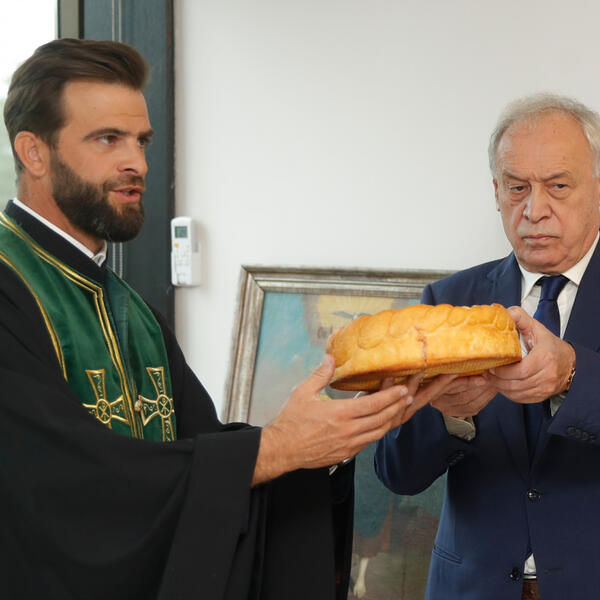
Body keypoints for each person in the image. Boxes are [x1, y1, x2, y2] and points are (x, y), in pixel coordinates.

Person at [0, 38, 424, 599]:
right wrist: (276, 449)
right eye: (108, 139)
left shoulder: (131, 310)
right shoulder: (9, 288)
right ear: (34, 152)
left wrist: (322, 443)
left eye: (141, 141)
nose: (137, 163)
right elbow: (63, 484)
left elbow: (196, 458)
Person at [375, 93, 600, 600]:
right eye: (517, 188)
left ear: (598, 186)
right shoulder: (448, 301)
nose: (534, 210)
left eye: (558, 186)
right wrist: (451, 415)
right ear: (496, 191)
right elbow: (396, 473)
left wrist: (571, 375)